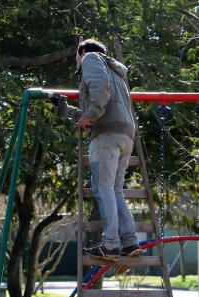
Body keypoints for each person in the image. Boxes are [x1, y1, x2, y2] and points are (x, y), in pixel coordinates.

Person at [51, 38, 141, 264]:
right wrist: (63, 109)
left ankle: (111, 245)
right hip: (125, 135)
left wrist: (91, 113)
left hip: (106, 137)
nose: (76, 62)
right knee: (116, 191)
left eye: (76, 57)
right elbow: (89, 111)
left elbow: (99, 92)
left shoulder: (90, 59)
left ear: (81, 52)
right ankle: (130, 242)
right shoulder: (115, 71)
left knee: (104, 190)